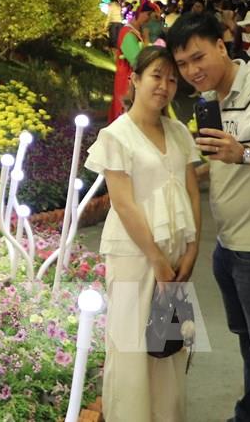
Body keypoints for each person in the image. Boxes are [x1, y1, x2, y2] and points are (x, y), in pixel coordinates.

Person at [166, 12, 250, 422]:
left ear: (221, 46)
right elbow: (224, 162)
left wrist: (240, 151)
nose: (192, 71)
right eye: (182, 65)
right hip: (231, 245)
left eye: (198, 57)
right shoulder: (214, 98)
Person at [85, 45, 202, 422]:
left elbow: (192, 191)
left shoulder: (179, 132)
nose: (164, 86)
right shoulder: (116, 135)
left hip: (176, 252)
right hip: (134, 255)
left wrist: (192, 248)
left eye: (172, 79)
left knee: (170, 345)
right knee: (130, 347)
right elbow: (123, 204)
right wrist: (157, 261)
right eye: (156, 76)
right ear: (134, 79)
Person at [110, 0, 157, 122]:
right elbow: (137, 61)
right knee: (125, 117)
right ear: (139, 13)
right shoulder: (128, 34)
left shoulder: (135, 32)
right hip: (127, 82)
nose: (149, 19)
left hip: (132, 81)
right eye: (148, 14)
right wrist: (146, 41)